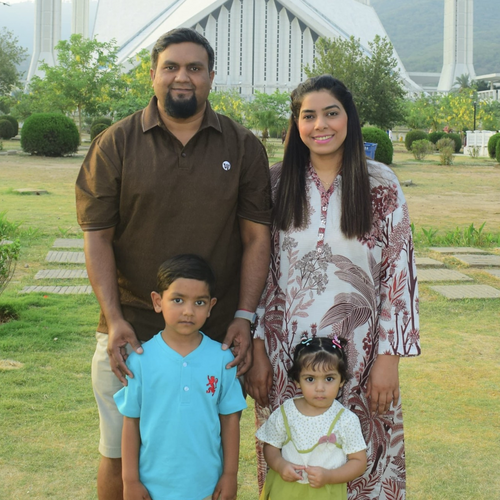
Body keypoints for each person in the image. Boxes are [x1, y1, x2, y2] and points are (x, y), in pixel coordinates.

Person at [75, 27, 271, 500]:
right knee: (119, 453)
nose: (183, 77)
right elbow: (97, 238)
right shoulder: (116, 143)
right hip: (132, 333)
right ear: (153, 74)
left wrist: (244, 316)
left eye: (195, 68)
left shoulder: (242, 146)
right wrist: (115, 319)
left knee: (202, 454)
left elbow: (256, 238)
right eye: (171, 67)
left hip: (213, 335)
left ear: (211, 77)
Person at [244, 75, 421, 499]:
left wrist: (388, 360)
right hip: (288, 359)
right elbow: (260, 272)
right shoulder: (274, 184)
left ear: (349, 118)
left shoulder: (381, 185)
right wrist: (258, 349)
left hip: (362, 359)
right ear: (296, 123)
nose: (320, 125)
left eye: (331, 113)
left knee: (363, 461)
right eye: (309, 116)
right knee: (293, 463)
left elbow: (399, 274)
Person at [114, 255, 247, 500]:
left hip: (206, 487)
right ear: (158, 302)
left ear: (211, 306)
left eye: (199, 302)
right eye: (178, 300)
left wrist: (230, 475)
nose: (188, 311)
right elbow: (131, 422)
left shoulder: (222, 360)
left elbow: (230, 420)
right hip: (153, 488)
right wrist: (130, 480)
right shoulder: (140, 361)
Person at [256, 336, 367, 500]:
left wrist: (330, 476)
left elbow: (359, 462)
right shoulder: (286, 412)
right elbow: (270, 447)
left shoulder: (346, 420)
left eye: (329, 379)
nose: (320, 388)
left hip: (326, 495)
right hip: (285, 492)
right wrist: (280, 465)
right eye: (310, 379)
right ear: (297, 381)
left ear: (342, 380)